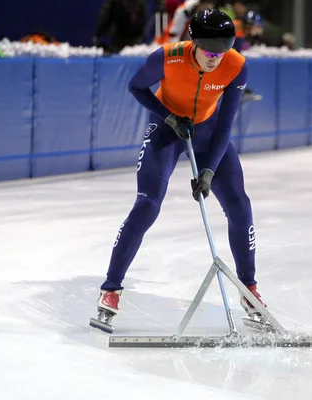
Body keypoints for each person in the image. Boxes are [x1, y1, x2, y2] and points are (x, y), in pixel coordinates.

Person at [95, 9, 266, 324]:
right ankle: (111, 288)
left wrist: (210, 170)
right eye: (209, 52)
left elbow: (226, 123)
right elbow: (136, 87)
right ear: (194, 43)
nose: (215, 59)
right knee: (147, 205)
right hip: (166, 130)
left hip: (210, 131)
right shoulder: (168, 57)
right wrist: (168, 115)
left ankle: (249, 288)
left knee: (240, 206)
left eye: (222, 51)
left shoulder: (236, 65)